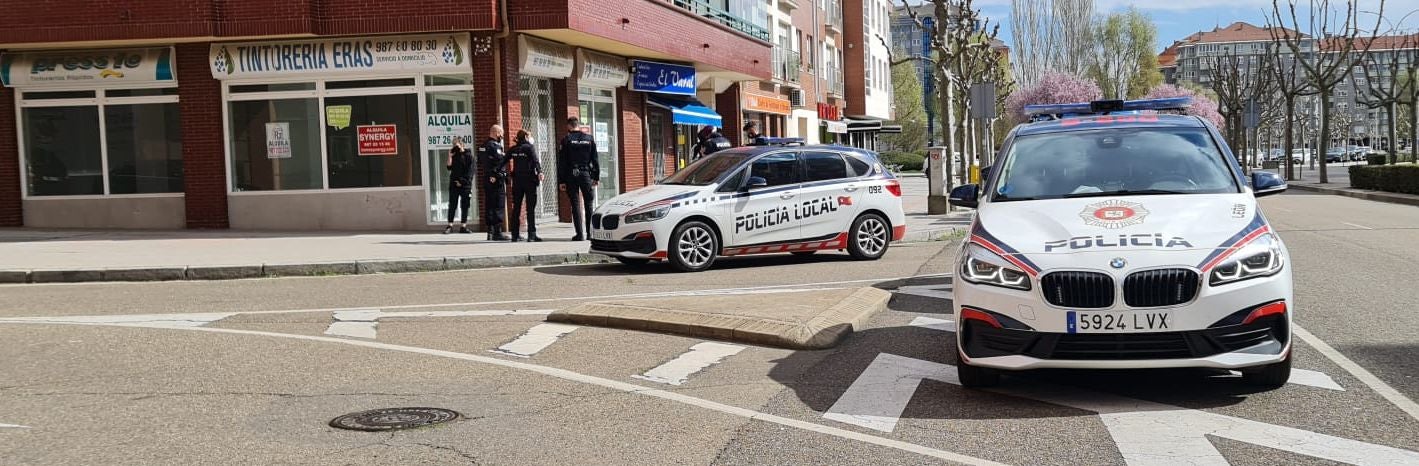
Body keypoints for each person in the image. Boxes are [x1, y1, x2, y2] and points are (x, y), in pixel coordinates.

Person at [558, 117, 598, 241]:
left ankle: (580, 234)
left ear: (569, 126)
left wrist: (561, 181)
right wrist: (596, 177)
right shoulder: (589, 139)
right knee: (588, 203)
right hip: (585, 173)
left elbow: (562, 162)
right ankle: (590, 234)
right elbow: (595, 159)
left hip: (571, 174)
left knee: (575, 204)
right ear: (578, 125)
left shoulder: (566, 140)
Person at [506, 129, 544, 242]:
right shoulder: (529, 148)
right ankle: (532, 235)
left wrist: (495, 172)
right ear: (526, 137)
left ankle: (514, 234)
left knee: (516, 207)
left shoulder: (514, 149)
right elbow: (536, 161)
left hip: (517, 181)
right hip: (529, 181)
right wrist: (540, 172)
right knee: (530, 208)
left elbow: (504, 160)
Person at [479, 125, 510, 241]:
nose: (502, 136)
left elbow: (482, 161)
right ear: (497, 133)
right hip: (496, 179)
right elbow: (499, 161)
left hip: (487, 178)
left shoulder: (483, 146)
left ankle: (490, 232)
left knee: (489, 204)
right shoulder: (495, 146)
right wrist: (496, 174)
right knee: (498, 204)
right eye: (501, 133)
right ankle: (497, 232)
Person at [443, 140, 474, 234]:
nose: (455, 147)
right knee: (452, 205)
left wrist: (462, 182)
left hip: (465, 185)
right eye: (453, 145)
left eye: (457, 145)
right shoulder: (454, 155)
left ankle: (463, 226)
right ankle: (450, 226)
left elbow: (470, 172)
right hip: (454, 184)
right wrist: (450, 156)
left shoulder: (469, 156)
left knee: (464, 205)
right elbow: (448, 167)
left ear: (462, 145)